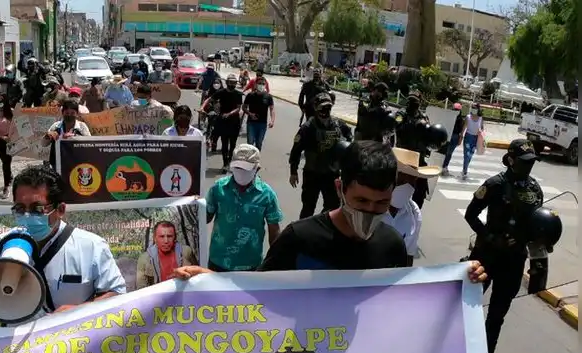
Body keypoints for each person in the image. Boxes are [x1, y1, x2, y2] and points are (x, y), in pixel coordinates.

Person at [170, 142, 487, 279]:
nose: (370, 212)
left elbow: (404, 296)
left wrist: (460, 282)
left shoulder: (391, 243)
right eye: (361, 202)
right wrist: (208, 279)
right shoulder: (299, 238)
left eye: (380, 203)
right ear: (340, 188)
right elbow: (259, 291)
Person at [0, 165, 126, 319]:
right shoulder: (0, 246)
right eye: (20, 208)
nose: (27, 216)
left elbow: (116, 294)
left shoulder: (91, 247)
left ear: (60, 210)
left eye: (37, 209)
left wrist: (80, 311)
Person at [463, 139, 545, 353]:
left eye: (532, 162)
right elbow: (471, 214)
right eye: (524, 162)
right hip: (486, 257)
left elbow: (536, 228)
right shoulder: (495, 184)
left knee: (496, 318)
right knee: (467, 308)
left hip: (513, 263)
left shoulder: (535, 190)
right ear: (510, 160)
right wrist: (491, 238)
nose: (529, 166)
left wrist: (539, 260)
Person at [204, 144, 282, 271]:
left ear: (257, 169)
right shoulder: (218, 188)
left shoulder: (267, 194)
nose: (240, 172)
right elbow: (205, 218)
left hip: (250, 264)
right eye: (237, 167)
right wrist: (195, 205)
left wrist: (275, 259)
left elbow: (274, 229)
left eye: (245, 169)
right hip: (219, 261)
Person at [289, 93, 353, 219]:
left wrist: (346, 146)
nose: (325, 111)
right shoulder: (307, 128)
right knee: (308, 207)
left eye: (328, 107)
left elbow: (349, 137)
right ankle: (305, 229)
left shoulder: (338, 124)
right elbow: (296, 150)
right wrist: (293, 171)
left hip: (331, 174)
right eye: (322, 108)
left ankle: (322, 225)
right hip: (312, 173)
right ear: (316, 108)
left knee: (333, 205)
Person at [383, 148, 438, 265]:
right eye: (402, 179)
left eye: (411, 181)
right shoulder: (369, 206)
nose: (406, 186)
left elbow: (408, 255)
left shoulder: (414, 213)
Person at [394, 90, 433, 207]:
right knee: (398, 188)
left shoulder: (424, 117)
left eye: (415, 101)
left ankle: (415, 212)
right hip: (403, 158)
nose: (413, 103)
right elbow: (397, 127)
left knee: (420, 191)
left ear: (420, 102)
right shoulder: (401, 114)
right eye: (411, 100)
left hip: (418, 158)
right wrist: (414, 126)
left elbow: (429, 134)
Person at [135, 220, 196, 288]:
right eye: (162, 236)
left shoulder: (186, 251)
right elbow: (141, 289)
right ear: (155, 238)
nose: (166, 241)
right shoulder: (144, 259)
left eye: (169, 236)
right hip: (158, 294)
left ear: (175, 237)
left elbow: (198, 277)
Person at [205, 74, 244, 171]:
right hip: (223, 121)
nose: (232, 84)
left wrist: (229, 114)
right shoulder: (221, 92)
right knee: (224, 143)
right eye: (230, 82)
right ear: (226, 83)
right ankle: (225, 163)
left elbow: (238, 108)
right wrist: (203, 107)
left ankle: (230, 160)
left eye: (234, 83)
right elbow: (210, 99)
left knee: (233, 144)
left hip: (234, 122)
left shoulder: (238, 94)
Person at [44, 99, 91, 169]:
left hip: (76, 164)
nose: (69, 115)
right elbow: (44, 144)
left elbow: (89, 144)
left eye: (72, 113)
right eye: (67, 113)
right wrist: (48, 136)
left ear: (77, 114)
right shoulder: (56, 126)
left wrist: (74, 138)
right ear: (62, 113)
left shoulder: (82, 126)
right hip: (57, 164)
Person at [0, 92, 15, 194]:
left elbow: (16, 126)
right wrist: (1, 137)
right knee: (4, 162)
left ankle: (6, 186)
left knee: (6, 163)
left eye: (2, 100)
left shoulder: (11, 112)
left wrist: (10, 137)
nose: (0, 102)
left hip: (10, 141)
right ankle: (10, 176)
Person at [242, 79, 275, 150]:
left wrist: (272, 121)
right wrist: (250, 114)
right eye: (259, 83)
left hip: (262, 124)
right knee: (250, 143)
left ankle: (257, 156)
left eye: (263, 84)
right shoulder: (250, 95)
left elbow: (272, 109)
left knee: (259, 143)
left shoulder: (268, 96)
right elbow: (244, 107)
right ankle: (250, 156)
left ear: (265, 85)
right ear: (255, 85)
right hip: (251, 123)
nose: (261, 85)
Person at [454, 104, 485, 179]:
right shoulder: (468, 117)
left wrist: (481, 132)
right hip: (468, 137)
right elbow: (464, 128)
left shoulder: (480, 118)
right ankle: (465, 171)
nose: (473, 109)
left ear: (478, 109)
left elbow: (482, 128)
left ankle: (464, 170)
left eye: (475, 108)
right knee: (466, 155)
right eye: (472, 108)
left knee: (470, 155)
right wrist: (461, 137)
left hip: (475, 139)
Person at [441, 102, 465, 175]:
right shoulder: (460, 119)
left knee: (446, 152)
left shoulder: (449, 117)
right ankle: (444, 166)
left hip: (450, 135)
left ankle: (443, 166)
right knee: (449, 153)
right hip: (453, 136)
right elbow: (461, 130)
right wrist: (460, 139)